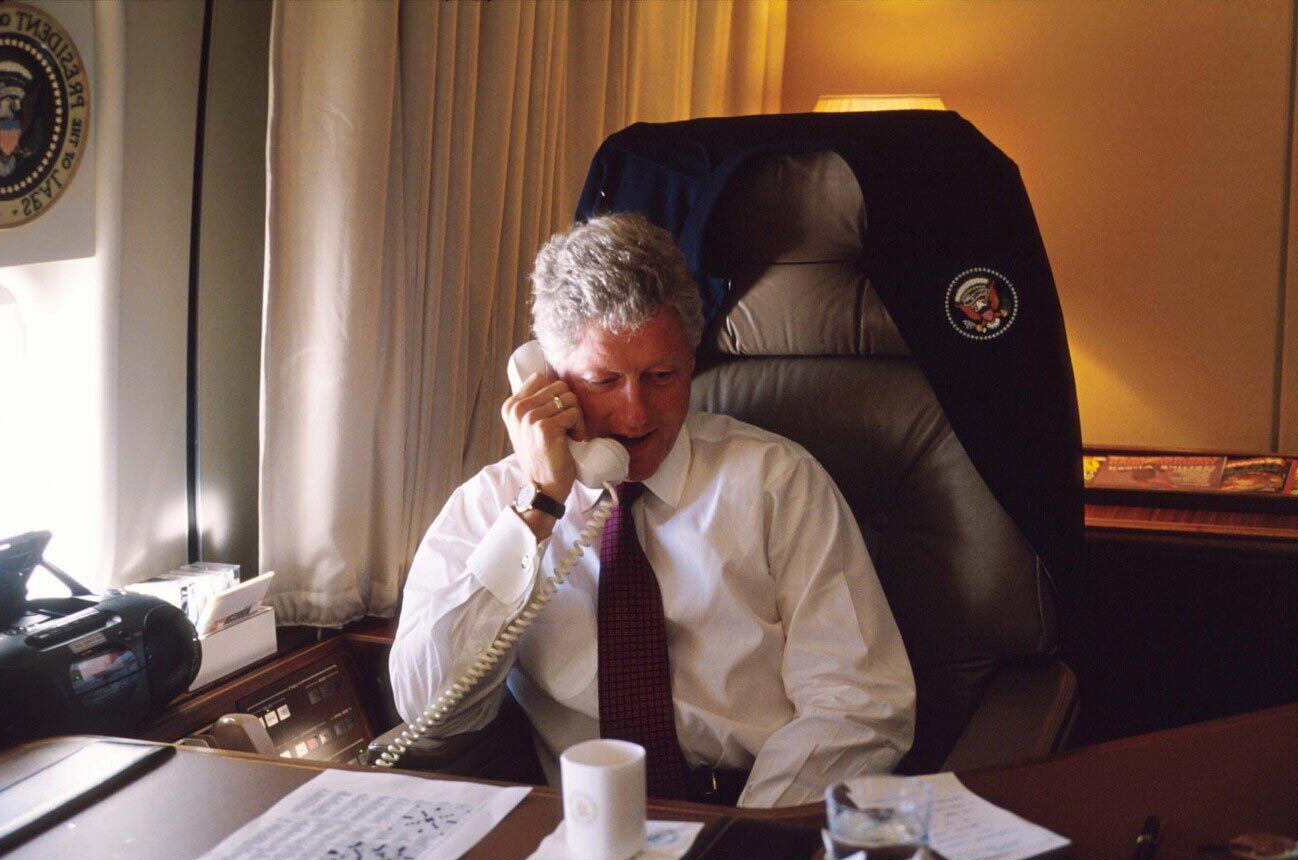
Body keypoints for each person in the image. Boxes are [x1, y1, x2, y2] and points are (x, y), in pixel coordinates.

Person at [389, 212, 915, 808]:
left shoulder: (779, 483)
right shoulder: (492, 504)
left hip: (754, 809)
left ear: (691, 362)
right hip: (580, 828)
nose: (637, 415)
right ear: (546, 382)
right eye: (604, 380)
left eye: (661, 376)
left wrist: (738, 845)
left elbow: (858, 704)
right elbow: (430, 708)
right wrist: (538, 506)